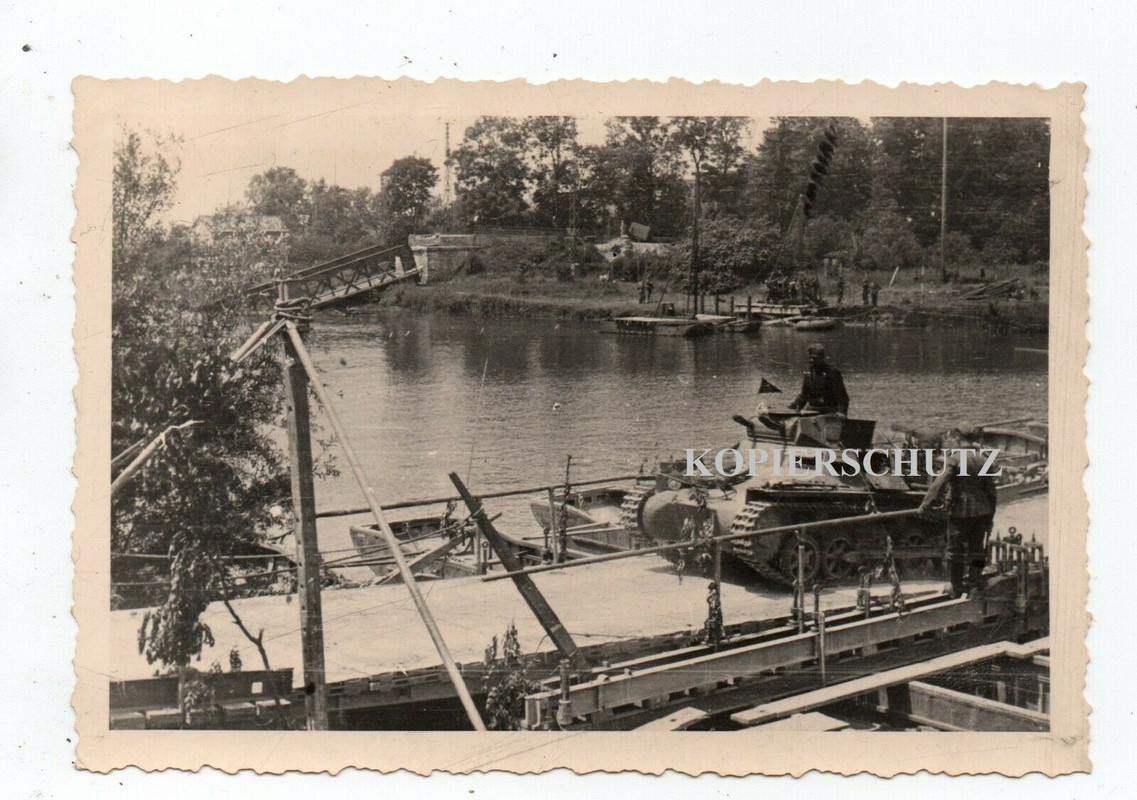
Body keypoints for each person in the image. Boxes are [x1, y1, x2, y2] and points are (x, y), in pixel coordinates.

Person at [918, 430, 998, 598]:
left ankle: (956, 586)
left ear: (959, 439)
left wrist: (925, 505)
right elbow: (991, 491)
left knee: (956, 549)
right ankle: (974, 582)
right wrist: (990, 516)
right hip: (983, 511)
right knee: (977, 548)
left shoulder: (955, 459)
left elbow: (940, 483)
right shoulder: (985, 459)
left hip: (960, 510)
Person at [788, 343, 850, 416]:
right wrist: (790, 409)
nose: (811, 360)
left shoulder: (832, 373)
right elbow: (804, 396)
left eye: (815, 358)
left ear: (822, 358)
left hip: (829, 412)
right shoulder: (808, 374)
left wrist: (841, 412)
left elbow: (842, 397)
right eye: (810, 357)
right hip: (812, 411)